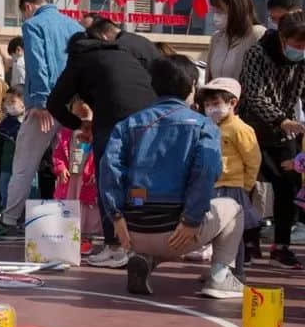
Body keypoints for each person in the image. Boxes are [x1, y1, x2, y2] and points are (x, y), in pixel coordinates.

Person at [100, 55, 245, 299]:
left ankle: (145, 258)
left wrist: (115, 216)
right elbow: (207, 172)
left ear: (153, 86)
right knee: (234, 208)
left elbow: (109, 170)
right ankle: (220, 276)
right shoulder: (203, 125)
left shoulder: (127, 125)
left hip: (131, 232)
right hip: (178, 231)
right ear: (191, 87)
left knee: (141, 199)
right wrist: (191, 218)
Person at [47, 16, 159, 265]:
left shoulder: (80, 58)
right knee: (137, 185)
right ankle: (140, 244)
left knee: (110, 183)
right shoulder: (127, 52)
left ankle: (115, 245)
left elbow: (54, 103)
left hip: (113, 125)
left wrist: (79, 125)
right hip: (149, 123)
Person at [0, 0, 83, 237]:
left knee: (23, 165)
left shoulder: (33, 25)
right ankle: (76, 222)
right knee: (74, 165)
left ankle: (9, 219)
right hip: (74, 105)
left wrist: (42, 102)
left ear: (29, 7)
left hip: (45, 104)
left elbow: (37, 63)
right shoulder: (74, 25)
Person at [238, 11, 305, 269]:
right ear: (283, 38)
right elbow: (253, 97)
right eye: (297, 45)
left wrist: (287, 123)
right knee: (248, 186)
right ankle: (248, 241)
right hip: (253, 129)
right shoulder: (257, 53)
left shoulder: (300, 61)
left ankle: (281, 246)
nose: (301, 50)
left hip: (285, 131)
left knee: (287, 186)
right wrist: (280, 119)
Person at [197, 78, 261, 277]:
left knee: (234, 234)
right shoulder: (211, 126)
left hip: (233, 187)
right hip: (214, 185)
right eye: (207, 105)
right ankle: (218, 270)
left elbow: (253, 160)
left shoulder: (240, 129)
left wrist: (246, 186)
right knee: (216, 232)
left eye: (216, 104)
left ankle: (236, 273)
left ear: (232, 103)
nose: (211, 109)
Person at [52, 98, 100, 255]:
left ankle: (85, 239)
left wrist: (94, 172)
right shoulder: (65, 133)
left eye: (85, 116)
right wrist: (60, 167)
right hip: (70, 179)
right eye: (76, 116)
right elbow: (58, 153)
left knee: (86, 210)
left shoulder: (96, 134)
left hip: (85, 180)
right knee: (68, 206)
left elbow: (99, 156)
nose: (81, 121)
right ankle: (67, 238)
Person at [204, 0, 267, 81]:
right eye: (214, 10)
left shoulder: (257, 34)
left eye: (220, 10)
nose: (216, 15)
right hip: (216, 96)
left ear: (237, 9)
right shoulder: (216, 37)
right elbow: (209, 77)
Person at [0, 89, 25, 213]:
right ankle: (5, 216)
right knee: (4, 190)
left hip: (25, 166)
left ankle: (22, 219)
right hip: (6, 165)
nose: (8, 104)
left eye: (12, 101)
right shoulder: (5, 123)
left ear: (24, 103)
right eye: (6, 101)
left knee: (24, 192)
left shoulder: (30, 122)